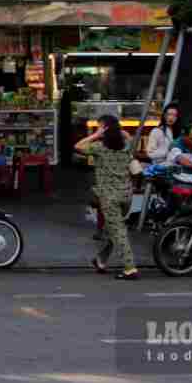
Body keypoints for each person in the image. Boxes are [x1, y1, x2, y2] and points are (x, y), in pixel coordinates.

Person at [75, 113, 139, 279]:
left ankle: (129, 268)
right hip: (126, 195)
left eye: (99, 127)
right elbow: (133, 142)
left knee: (118, 232)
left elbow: (78, 146)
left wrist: (95, 135)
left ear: (104, 130)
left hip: (109, 197)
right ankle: (101, 260)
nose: (97, 130)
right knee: (113, 230)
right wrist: (124, 132)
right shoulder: (127, 146)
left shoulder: (100, 147)